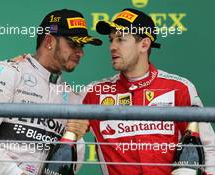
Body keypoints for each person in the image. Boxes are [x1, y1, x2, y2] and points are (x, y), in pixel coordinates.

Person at [0, 9, 102, 175]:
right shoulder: (9, 72)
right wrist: (14, 173)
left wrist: (76, 138)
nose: (81, 52)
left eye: (82, 46)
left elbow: (72, 157)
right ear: (49, 41)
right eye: (74, 44)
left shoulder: (72, 97)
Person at [82, 8, 215, 175]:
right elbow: (63, 130)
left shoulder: (179, 88)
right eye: (111, 40)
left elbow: (209, 147)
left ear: (144, 44)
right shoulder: (94, 93)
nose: (112, 47)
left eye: (121, 39)